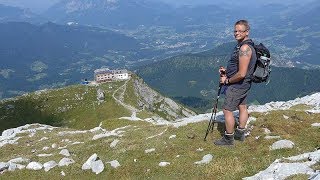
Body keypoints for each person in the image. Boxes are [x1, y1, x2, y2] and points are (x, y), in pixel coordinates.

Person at [214, 20, 257, 146]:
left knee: (227, 110)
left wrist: (227, 80)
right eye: (235, 31)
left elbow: (242, 73)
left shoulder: (244, 48)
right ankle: (240, 133)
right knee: (242, 106)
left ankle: (228, 139)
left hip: (238, 84)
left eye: (240, 31)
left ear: (247, 32)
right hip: (244, 84)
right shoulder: (246, 45)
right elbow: (241, 69)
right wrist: (227, 71)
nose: (236, 33)